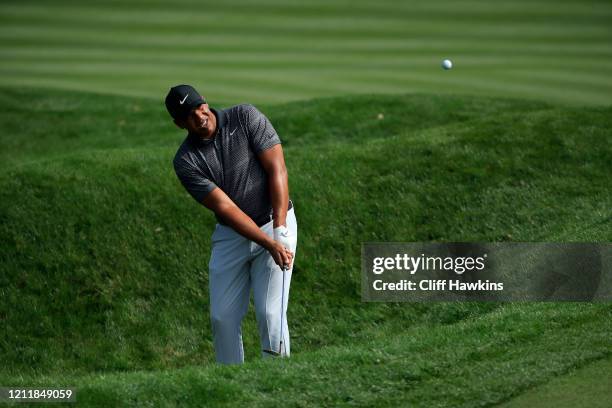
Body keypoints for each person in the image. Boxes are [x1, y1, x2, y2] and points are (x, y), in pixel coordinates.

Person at [165, 84, 297, 364]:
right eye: (188, 115)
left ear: (206, 102)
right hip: (231, 235)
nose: (199, 115)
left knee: (270, 313)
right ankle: (231, 381)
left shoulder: (245, 117)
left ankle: (279, 379)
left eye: (199, 106)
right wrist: (267, 243)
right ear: (179, 124)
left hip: (276, 222)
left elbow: (278, 169)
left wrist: (280, 230)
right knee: (222, 317)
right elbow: (226, 207)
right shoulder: (186, 161)